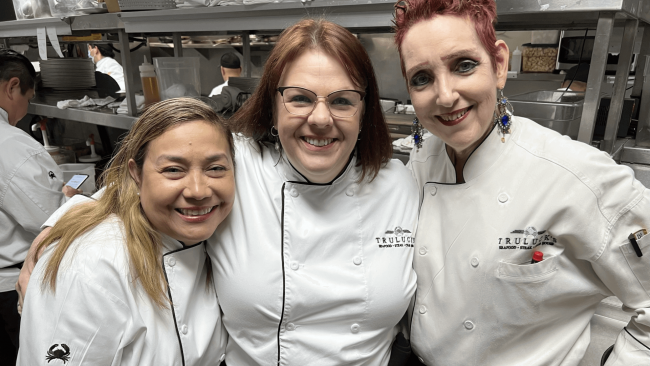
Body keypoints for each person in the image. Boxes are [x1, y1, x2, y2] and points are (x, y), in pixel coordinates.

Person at [19, 19, 419, 365]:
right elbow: (138, 180)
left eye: (342, 101)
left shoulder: (397, 184)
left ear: (364, 111)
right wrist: (55, 231)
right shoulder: (234, 163)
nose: (320, 119)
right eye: (299, 98)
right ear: (273, 105)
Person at [393, 0, 650, 365]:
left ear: (499, 64)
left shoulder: (578, 175)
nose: (445, 95)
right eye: (422, 78)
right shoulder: (421, 159)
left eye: (464, 65)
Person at [18, 98, 234, 365]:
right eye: (173, 170)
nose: (198, 191)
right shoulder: (91, 266)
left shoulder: (209, 227)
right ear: (136, 174)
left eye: (215, 168)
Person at [0, 49, 79, 365]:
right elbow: (54, 221)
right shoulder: (13, 146)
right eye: (28, 99)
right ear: (12, 87)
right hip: (10, 291)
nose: (25, 109)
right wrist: (72, 199)